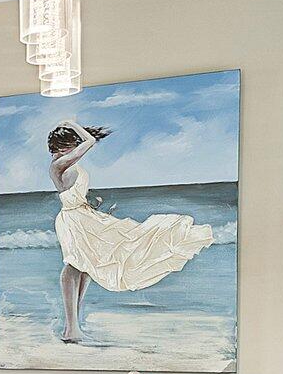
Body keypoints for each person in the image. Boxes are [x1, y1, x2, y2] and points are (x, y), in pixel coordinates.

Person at [48, 120, 214, 342]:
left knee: (86, 267)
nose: (75, 148)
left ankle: (73, 326)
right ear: (62, 146)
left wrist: (90, 205)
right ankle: (71, 328)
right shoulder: (58, 164)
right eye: (71, 144)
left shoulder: (67, 164)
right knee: (74, 265)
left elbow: (74, 194)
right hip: (73, 219)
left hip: (83, 216)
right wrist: (71, 123)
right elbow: (90, 141)